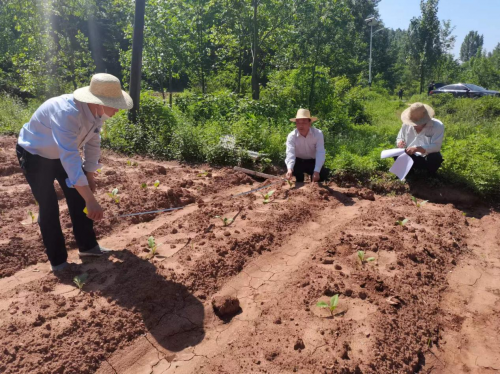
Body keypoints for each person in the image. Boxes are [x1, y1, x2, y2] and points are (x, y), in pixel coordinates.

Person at [16, 73, 133, 272]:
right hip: (35, 154)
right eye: (114, 104)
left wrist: (89, 176)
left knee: (78, 199)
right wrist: (91, 199)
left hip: (61, 153)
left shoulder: (96, 113)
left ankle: (88, 248)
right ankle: (59, 263)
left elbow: (93, 143)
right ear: (98, 101)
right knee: (49, 206)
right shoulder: (67, 113)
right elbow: (70, 158)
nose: (117, 109)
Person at [396, 102, 444, 176]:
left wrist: (417, 148)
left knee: (435, 157)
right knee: (397, 153)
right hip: (411, 156)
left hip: (426, 157)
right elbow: (399, 137)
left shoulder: (437, 126)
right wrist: (400, 142)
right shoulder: (406, 124)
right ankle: (409, 174)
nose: (414, 125)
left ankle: (430, 175)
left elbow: (436, 147)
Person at [285, 108, 329, 183]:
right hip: (298, 161)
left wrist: (317, 171)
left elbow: (320, 152)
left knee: (322, 175)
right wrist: (289, 169)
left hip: (312, 161)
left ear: (310, 123)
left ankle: (315, 179)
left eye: (304, 122)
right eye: (298, 122)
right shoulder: (292, 136)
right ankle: (299, 180)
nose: (301, 125)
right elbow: (290, 153)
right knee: (293, 170)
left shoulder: (318, 134)